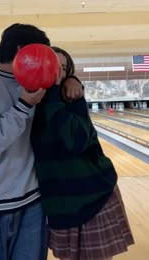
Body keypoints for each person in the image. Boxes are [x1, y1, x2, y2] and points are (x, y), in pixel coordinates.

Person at [0, 24, 83, 260]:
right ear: (22, 50)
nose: (47, 62)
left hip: (31, 206)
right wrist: (23, 105)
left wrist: (72, 80)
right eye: (43, 53)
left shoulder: (38, 84)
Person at [31, 47, 134, 260]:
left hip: (93, 196)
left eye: (63, 68)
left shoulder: (71, 98)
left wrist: (57, 91)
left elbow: (76, 142)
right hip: (60, 203)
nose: (57, 72)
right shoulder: (30, 101)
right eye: (52, 66)